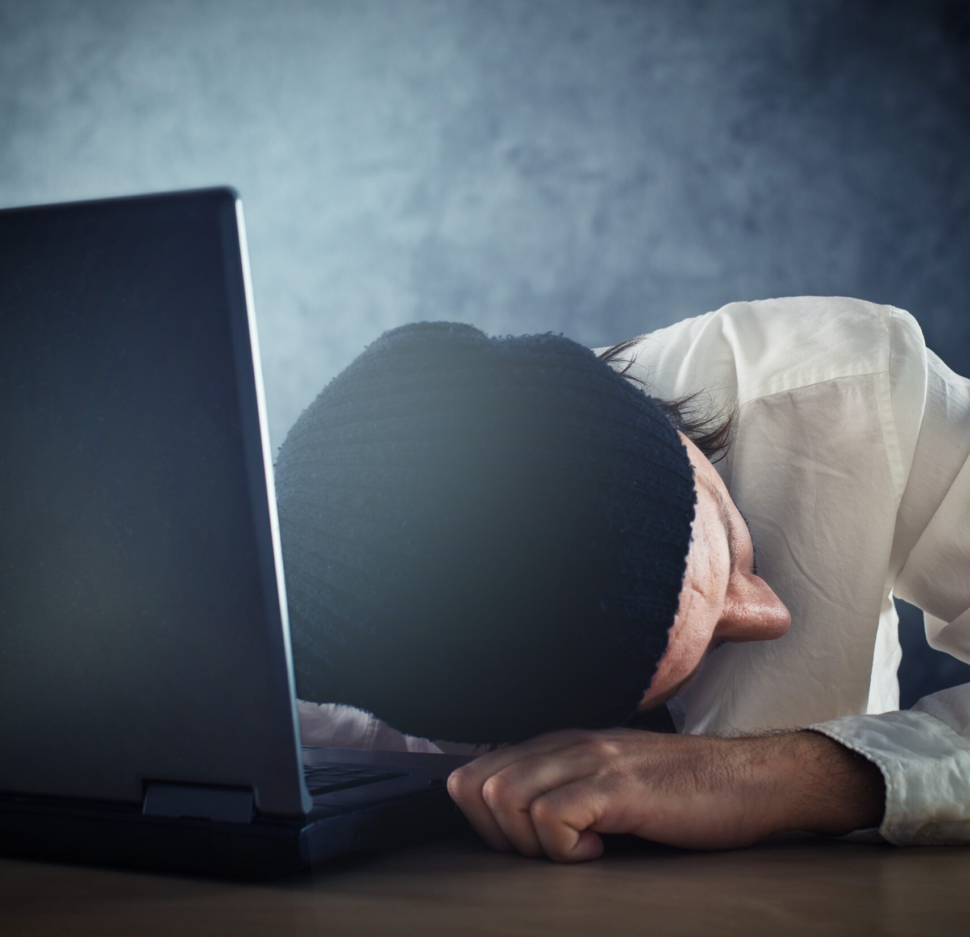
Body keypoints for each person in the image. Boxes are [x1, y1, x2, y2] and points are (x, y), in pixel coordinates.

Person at [275, 296, 970, 862]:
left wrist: (778, 778)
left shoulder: (850, 390)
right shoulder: (342, 670)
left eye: (728, 544)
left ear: (678, 437)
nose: (772, 616)